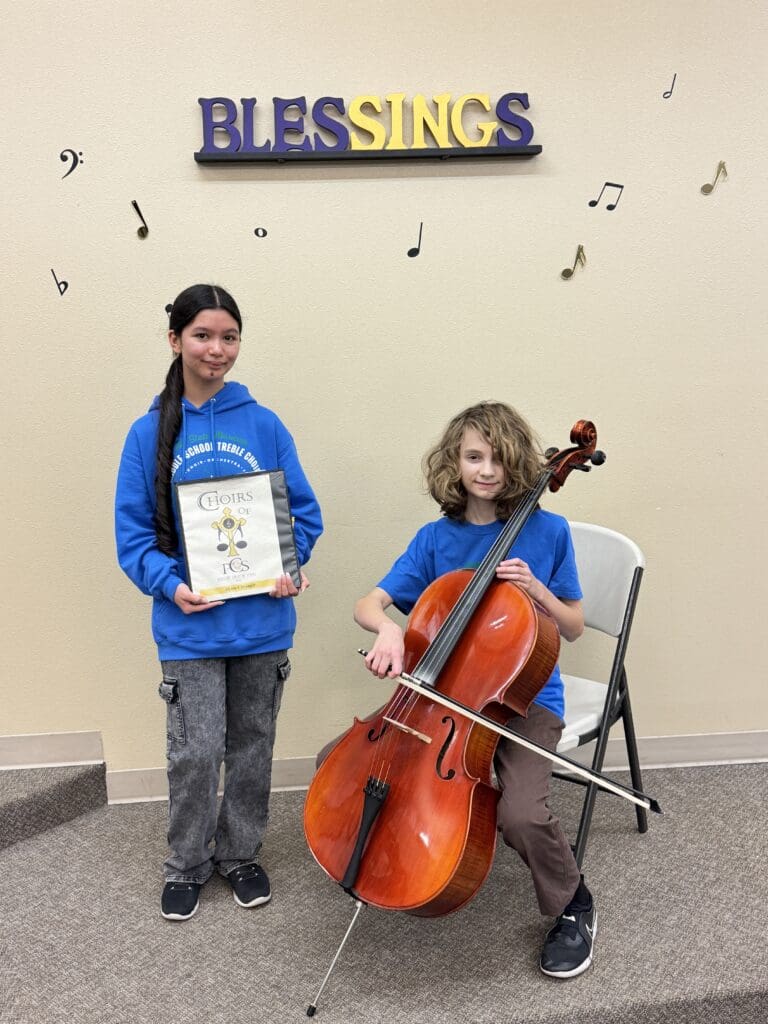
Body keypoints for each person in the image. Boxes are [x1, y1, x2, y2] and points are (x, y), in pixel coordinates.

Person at [353, 401, 595, 978]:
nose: (486, 470)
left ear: (519, 465)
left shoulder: (550, 531)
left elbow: (574, 625)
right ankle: (407, 865)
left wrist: (535, 587)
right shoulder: (437, 538)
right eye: (473, 456)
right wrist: (389, 629)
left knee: (521, 817)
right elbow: (369, 603)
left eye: (498, 458)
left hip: (525, 702)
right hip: (442, 702)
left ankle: (574, 905)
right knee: (356, 769)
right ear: (454, 463)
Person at [115, 284, 322, 922]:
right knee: (196, 750)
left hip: (262, 626)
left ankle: (239, 854)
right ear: (175, 340)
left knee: (253, 744)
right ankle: (186, 863)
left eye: (229, 336)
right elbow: (133, 539)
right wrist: (172, 585)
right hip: (189, 629)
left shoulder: (264, 424)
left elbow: (304, 518)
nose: (217, 349)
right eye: (203, 336)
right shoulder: (147, 432)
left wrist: (288, 567)